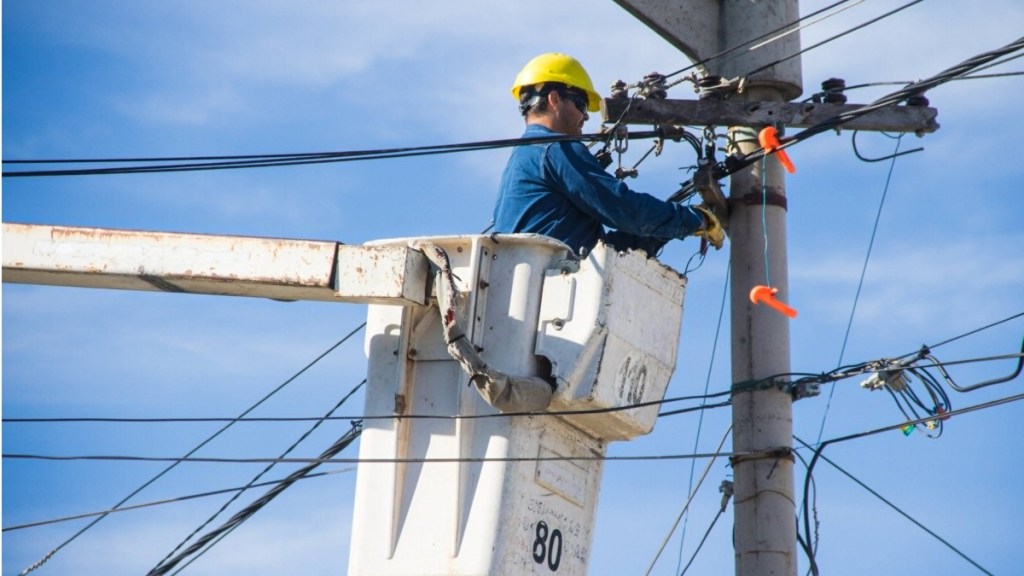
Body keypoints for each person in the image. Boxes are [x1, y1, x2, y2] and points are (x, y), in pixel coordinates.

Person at [492, 52, 724, 256]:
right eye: (581, 105)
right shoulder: (556, 150)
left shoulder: (523, 159)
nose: (585, 116)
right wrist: (694, 221)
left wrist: (665, 231)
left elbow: (604, 250)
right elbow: (624, 210)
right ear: (554, 100)